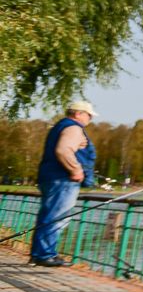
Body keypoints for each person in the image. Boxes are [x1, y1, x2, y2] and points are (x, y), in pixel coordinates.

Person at [29, 100, 97, 267]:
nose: (90, 119)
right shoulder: (74, 128)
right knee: (57, 217)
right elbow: (63, 150)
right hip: (63, 179)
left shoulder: (60, 126)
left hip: (50, 177)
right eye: (89, 115)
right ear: (78, 113)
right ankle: (46, 255)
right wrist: (76, 170)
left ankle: (39, 254)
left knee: (48, 215)